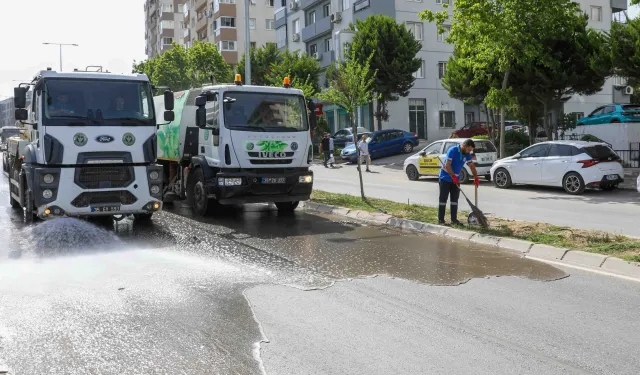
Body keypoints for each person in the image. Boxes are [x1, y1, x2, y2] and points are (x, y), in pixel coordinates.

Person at [438, 139, 479, 226]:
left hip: (455, 179)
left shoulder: (466, 154)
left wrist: (476, 177)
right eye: (469, 149)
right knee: (443, 200)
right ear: (464, 146)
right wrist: (453, 176)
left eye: (471, 150)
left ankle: (454, 219)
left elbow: (471, 166)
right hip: (445, 178)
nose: (469, 152)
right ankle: (441, 220)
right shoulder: (452, 150)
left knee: (454, 200)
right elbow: (447, 165)